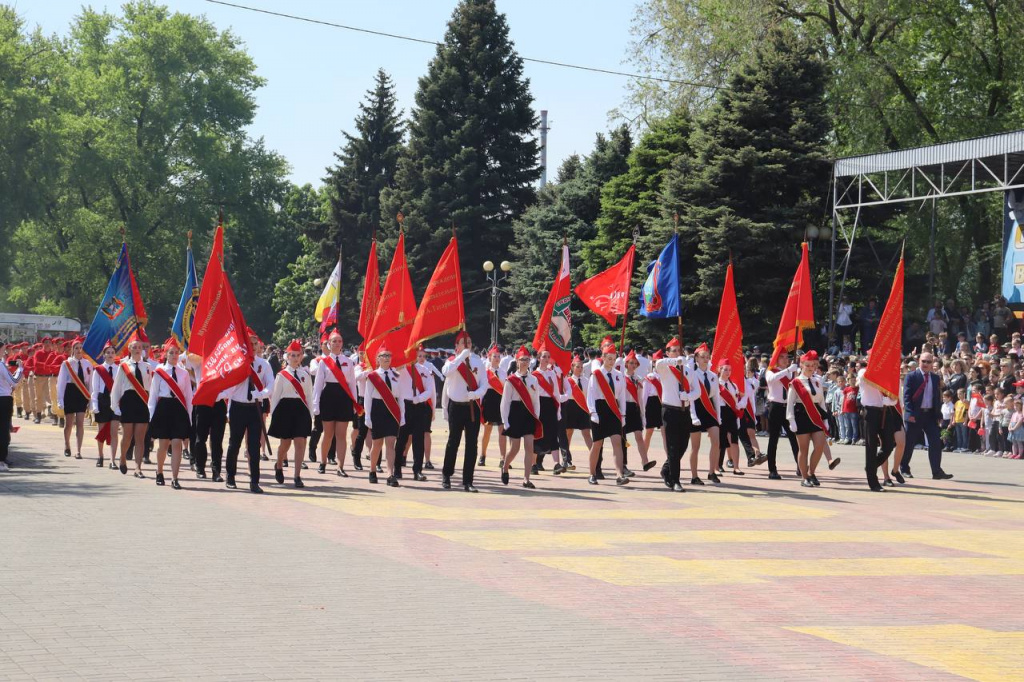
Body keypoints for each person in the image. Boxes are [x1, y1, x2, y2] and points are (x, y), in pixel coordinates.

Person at [441, 330, 487, 492]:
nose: (466, 345)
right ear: (457, 346)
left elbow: (484, 384)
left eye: (468, 342)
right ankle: (446, 475)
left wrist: (475, 394)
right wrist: (461, 357)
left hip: (472, 407)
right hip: (456, 406)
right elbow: (445, 372)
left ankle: (468, 480)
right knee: (453, 442)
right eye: (463, 343)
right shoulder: (453, 361)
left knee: (471, 445)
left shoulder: (478, 361)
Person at [312, 330, 360, 476]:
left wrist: (354, 403)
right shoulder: (323, 362)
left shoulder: (348, 361)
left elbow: (352, 384)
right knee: (328, 434)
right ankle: (323, 462)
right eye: (334, 341)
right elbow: (318, 384)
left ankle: (340, 466)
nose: (337, 343)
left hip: (344, 398)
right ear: (328, 344)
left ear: (342, 344)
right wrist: (315, 404)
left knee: (341, 434)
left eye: (339, 341)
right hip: (328, 397)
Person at [147, 340, 193, 490]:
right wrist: (151, 416)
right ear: (165, 354)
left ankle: (175, 477)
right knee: (163, 445)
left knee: (177, 444)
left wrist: (190, 416)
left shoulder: (184, 373)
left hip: (178, 409)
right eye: (171, 352)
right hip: (163, 409)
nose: (174, 355)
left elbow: (188, 396)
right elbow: (153, 395)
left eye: (176, 352)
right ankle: (159, 471)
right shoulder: (160, 371)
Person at [223, 355, 272, 494]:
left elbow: (271, 384)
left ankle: (254, 481)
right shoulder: (236, 362)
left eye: (255, 343)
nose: (253, 346)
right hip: (238, 407)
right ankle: (230, 476)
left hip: (255, 408)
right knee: (235, 443)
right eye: (249, 343)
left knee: (254, 446)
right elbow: (229, 386)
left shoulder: (263, 364)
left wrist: (261, 394)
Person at [268, 340, 313, 488]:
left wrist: (310, 415)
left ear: (301, 357)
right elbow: (275, 397)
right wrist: (274, 415)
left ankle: (297, 476)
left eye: (297, 355)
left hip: (301, 410)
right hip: (285, 410)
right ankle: (279, 464)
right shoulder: (282, 375)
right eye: (292, 355)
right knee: (285, 444)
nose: (295, 358)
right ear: (287, 357)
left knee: (300, 442)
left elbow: (308, 396)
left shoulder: (305, 375)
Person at [656, 337, 698, 492]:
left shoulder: (687, 370)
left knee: (683, 444)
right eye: (674, 351)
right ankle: (675, 480)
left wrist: (688, 396)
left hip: (684, 411)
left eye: (679, 350)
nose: (678, 353)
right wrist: (675, 362)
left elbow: (697, 390)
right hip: (670, 410)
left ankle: (666, 469)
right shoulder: (665, 368)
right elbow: (659, 363)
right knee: (673, 446)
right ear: (667, 353)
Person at [904, 351, 953, 480]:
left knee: (936, 442)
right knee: (909, 443)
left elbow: (937, 397)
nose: (926, 364)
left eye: (929, 362)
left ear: (932, 364)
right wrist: (909, 413)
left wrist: (939, 414)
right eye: (923, 361)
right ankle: (904, 468)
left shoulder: (936, 378)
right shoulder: (911, 376)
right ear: (919, 361)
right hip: (915, 415)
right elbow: (907, 397)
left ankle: (936, 471)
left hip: (930, 415)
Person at [586, 343, 630, 486]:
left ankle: (619, 475)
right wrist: (593, 412)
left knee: (617, 442)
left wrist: (623, 414)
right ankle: (592, 473)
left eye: (613, 358)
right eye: (608, 358)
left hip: (614, 410)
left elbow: (622, 396)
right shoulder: (596, 374)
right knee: (597, 444)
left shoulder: (618, 376)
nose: (611, 361)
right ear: (603, 358)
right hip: (599, 409)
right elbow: (590, 395)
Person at [363, 344, 405, 487]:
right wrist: (367, 416)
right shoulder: (373, 376)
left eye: (389, 355)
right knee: (377, 444)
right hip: (377, 409)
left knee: (390, 443)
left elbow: (401, 397)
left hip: (392, 410)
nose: (387, 358)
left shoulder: (397, 376)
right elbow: (368, 398)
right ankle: (372, 470)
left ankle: (390, 474)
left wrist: (402, 415)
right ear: (378, 359)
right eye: (384, 356)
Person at [500, 346, 541, 488]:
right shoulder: (511, 380)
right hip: (515, 413)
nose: (525, 362)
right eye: (522, 360)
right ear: (517, 361)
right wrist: (505, 422)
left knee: (529, 447)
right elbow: (505, 402)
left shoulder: (533, 379)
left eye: (527, 359)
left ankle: (526, 478)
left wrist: (537, 417)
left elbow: (536, 401)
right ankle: (505, 466)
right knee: (515, 448)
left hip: (528, 414)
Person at [111, 339, 153, 478]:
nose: (137, 349)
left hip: (143, 401)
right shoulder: (124, 366)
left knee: (140, 438)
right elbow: (117, 387)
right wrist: (115, 406)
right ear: (129, 349)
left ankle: (138, 467)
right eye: (134, 347)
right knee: (127, 435)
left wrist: (152, 406)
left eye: (139, 347)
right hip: (128, 401)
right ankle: (123, 457)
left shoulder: (147, 366)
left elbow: (151, 387)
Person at [786, 350, 828, 487]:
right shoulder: (796, 382)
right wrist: (791, 419)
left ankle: (811, 472)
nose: (810, 368)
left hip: (817, 414)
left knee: (820, 446)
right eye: (807, 365)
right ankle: (804, 478)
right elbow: (790, 402)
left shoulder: (818, 380)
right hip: (802, 415)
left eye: (812, 365)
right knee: (803, 449)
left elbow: (822, 401)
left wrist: (825, 419)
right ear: (802, 365)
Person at [395, 345, 435, 483]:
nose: (417, 357)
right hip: (404, 406)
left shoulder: (424, 370)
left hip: (419, 406)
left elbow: (430, 390)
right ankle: (397, 468)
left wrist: (418, 399)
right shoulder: (401, 369)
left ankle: (417, 470)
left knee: (418, 440)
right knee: (401, 439)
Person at [688, 343, 722, 485]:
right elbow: (690, 397)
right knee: (696, 446)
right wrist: (693, 416)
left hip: (709, 410)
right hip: (696, 408)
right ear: (696, 358)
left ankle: (711, 472)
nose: (705, 359)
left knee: (716, 441)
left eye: (707, 357)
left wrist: (718, 416)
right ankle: (694, 476)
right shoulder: (692, 374)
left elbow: (716, 397)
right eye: (702, 357)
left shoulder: (713, 376)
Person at [764, 351, 799, 479]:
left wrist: (793, 372)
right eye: (782, 357)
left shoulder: (791, 372)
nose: (785, 360)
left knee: (794, 438)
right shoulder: (771, 371)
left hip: (788, 407)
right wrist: (788, 370)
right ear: (776, 359)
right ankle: (772, 470)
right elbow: (771, 379)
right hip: (775, 407)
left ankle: (800, 466)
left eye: (787, 357)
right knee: (774, 439)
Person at [55, 338, 91, 460]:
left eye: (81, 348)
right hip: (70, 392)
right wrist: (60, 399)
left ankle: (78, 450)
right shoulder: (67, 364)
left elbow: (89, 382)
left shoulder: (87, 364)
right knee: (69, 423)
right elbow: (61, 382)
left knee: (80, 422)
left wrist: (90, 399)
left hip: (82, 394)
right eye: (76, 348)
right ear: (73, 350)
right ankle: (67, 445)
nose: (79, 350)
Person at [555, 354, 591, 474]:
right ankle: (566, 459)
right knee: (568, 433)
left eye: (581, 367)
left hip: (583, 409)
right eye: (577, 366)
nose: (579, 369)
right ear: (572, 367)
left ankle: (595, 458)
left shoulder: (586, 381)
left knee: (586, 433)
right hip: (570, 407)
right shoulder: (567, 380)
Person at [621, 350, 656, 473]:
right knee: (623, 440)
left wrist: (642, 414)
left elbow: (640, 398)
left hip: (634, 409)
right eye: (631, 363)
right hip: (624, 408)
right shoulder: (620, 377)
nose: (633, 365)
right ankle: (623, 465)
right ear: (626, 364)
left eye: (635, 363)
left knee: (639, 436)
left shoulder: (638, 379)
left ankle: (645, 462)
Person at [531, 348, 562, 473]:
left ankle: (556, 464)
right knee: (537, 434)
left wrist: (558, 409)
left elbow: (556, 393)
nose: (547, 359)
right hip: (538, 405)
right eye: (544, 356)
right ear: (539, 359)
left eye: (548, 356)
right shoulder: (533, 375)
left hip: (550, 405)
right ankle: (533, 464)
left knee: (553, 434)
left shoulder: (552, 374)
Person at [90, 343, 119, 468]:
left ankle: (113, 460)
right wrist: (94, 405)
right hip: (102, 401)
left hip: (115, 402)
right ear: (104, 355)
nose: (110, 355)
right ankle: (100, 456)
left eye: (112, 352)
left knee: (114, 431)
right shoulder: (98, 370)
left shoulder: (120, 369)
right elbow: (94, 390)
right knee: (101, 430)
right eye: (108, 352)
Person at [478, 345, 507, 468]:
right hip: (488, 400)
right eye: (494, 356)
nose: (497, 358)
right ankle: (482, 455)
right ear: (489, 357)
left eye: (498, 356)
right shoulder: (484, 372)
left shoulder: (503, 372)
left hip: (500, 400)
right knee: (487, 430)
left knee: (502, 430)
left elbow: (505, 388)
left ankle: (503, 458)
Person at [716, 359, 745, 476]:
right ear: (719, 369)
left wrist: (737, 416)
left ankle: (736, 467)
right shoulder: (716, 384)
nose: (728, 372)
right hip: (720, 412)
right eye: (725, 369)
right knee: (719, 441)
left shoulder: (733, 385)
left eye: (729, 370)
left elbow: (736, 400)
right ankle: (716, 467)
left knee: (734, 440)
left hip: (732, 413)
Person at [0, 341, 23, 472]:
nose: (5, 353)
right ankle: (1, 460)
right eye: (3, 350)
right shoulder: (1, 365)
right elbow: (14, 381)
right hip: (3, 398)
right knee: (3, 430)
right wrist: (20, 368)